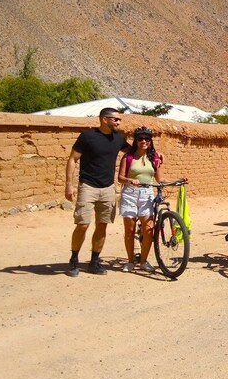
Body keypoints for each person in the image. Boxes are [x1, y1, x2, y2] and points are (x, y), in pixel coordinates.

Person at [64, 107, 130, 277]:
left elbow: (135, 152)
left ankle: (94, 261)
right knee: (82, 224)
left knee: (102, 225)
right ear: (104, 119)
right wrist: (68, 184)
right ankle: (74, 259)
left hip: (108, 188)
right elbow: (73, 159)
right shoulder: (88, 136)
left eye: (119, 119)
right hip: (88, 186)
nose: (118, 122)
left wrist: (155, 153)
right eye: (115, 119)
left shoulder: (118, 138)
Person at [117, 126, 165, 273]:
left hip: (147, 194)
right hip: (130, 194)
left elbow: (159, 178)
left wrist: (176, 181)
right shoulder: (129, 157)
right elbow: (120, 178)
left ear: (150, 141)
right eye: (140, 139)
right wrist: (130, 180)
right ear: (135, 141)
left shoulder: (154, 158)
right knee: (130, 230)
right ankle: (131, 261)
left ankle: (143, 261)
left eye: (147, 139)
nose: (143, 141)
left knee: (148, 229)